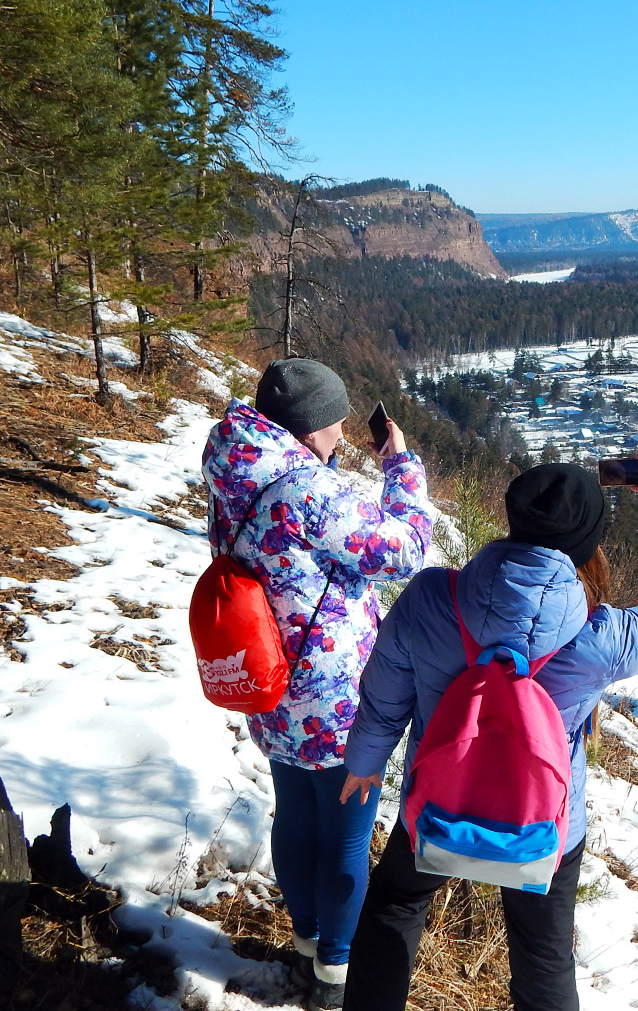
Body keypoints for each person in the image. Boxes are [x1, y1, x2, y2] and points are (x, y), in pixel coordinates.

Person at [337, 453, 638, 1011]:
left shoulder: (431, 598)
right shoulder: (603, 637)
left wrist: (365, 762)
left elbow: (384, 698)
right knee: (543, 955)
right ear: (589, 544)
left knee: (394, 908)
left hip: (436, 803)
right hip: (544, 823)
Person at [201, 358, 434, 1011]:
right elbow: (406, 546)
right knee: (348, 838)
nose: (339, 433)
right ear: (306, 428)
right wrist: (401, 466)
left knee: (297, 816)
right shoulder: (307, 489)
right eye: (333, 422)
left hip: (267, 674)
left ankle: (306, 946)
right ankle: (334, 975)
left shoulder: (234, 462)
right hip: (333, 697)